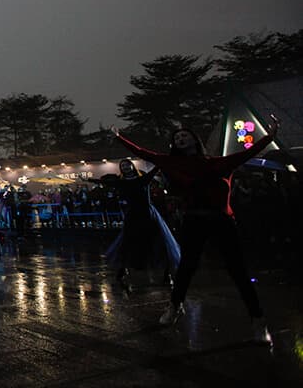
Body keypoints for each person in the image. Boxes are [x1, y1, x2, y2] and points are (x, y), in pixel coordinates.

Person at [114, 121, 278, 343]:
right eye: (177, 137)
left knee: (238, 270)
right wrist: (119, 137)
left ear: (194, 139)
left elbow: (246, 154)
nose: (180, 138)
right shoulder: (173, 163)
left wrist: (269, 137)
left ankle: (258, 320)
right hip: (194, 220)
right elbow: (144, 152)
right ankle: (175, 306)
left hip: (222, 220)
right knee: (186, 267)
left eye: (184, 135)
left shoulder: (219, 163)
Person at [97, 160, 179, 294]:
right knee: (128, 242)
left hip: (148, 214)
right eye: (123, 166)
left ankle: (167, 273)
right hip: (133, 216)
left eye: (127, 164)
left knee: (159, 242)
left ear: (132, 166)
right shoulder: (122, 182)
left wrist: (161, 161)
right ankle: (123, 269)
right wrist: (89, 179)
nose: (125, 167)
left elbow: (153, 172)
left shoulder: (143, 179)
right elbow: (108, 182)